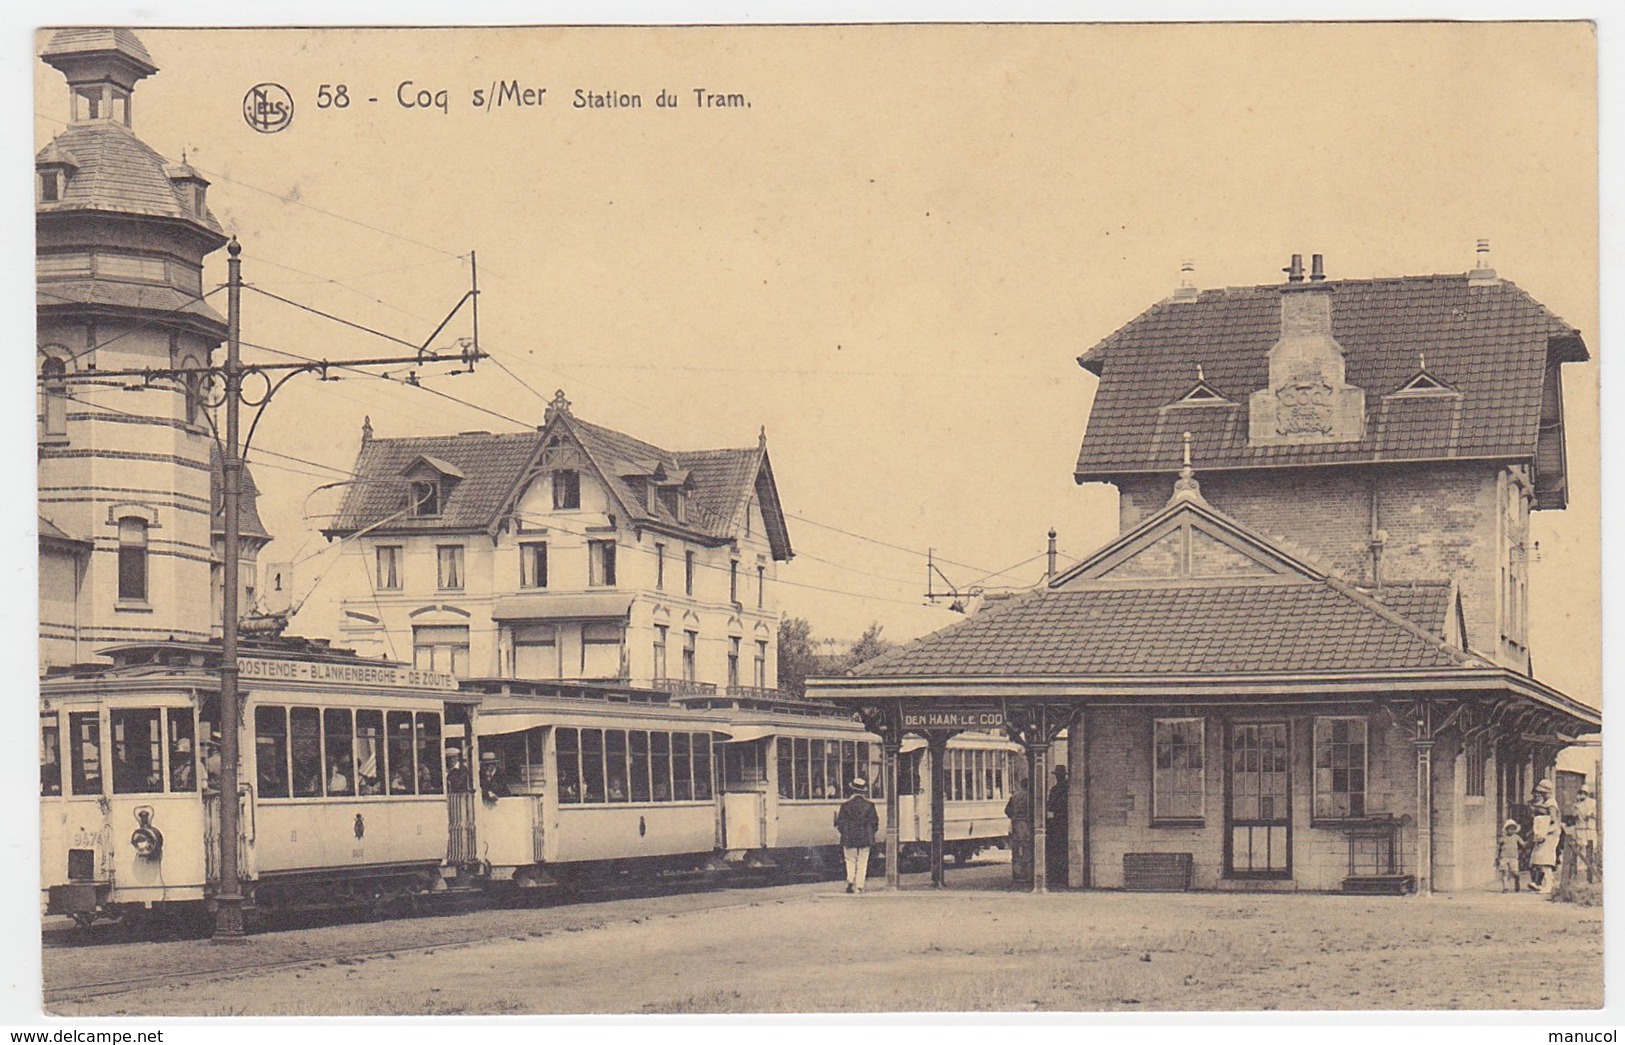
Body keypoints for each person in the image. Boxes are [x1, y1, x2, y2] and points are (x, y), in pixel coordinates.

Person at [833, 777, 880, 894]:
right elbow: (875, 823)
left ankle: (850, 879)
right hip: (865, 838)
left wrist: (844, 832)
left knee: (850, 860)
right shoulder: (870, 805)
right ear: (863, 791)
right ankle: (859, 886)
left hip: (849, 838)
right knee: (862, 862)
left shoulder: (845, 805)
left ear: (852, 790)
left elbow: (840, 823)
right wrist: (870, 833)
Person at [1529, 783, 1562, 894]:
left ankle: (1549, 885)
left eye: (1543, 792)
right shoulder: (1546, 803)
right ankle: (1545, 883)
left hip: (1550, 833)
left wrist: (1544, 831)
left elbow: (1552, 819)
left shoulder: (1551, 803)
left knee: (1545, 860)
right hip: (1546, 833)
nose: (1542, 794)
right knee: (1540, 859)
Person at [1005, 777, 1033, 886]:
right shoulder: (1030, 796)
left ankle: (1017, 875)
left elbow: (1007, 810)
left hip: (1015, 826)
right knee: (1027, 851)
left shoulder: (1015, 796)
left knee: (1016, 852)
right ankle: (1027, 875)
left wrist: (1014, 817)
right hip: (1027, 827)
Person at [1046, 764, 1070, 882]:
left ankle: (1059, 875)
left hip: (1061, 823)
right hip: (1056, 824)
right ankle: (1056, 874)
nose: (1058, 777)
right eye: (1057, 775)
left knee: (1059, 850)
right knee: (1056, 850)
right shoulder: (1055, 789)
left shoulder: (1065, 789)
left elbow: (1053, 805)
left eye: (1059, 775)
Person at [1573, 784, 1598, 881]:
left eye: (1584, 793)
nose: (1582, 795)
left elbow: (1588, 815)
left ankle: (1590, 869)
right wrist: (1577, 804)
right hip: (1581, 828)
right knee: (1581, 848)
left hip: (1589, 829)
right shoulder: (1577, 804)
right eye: (1581, 792)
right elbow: (1575, 815)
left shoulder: (1592, 802)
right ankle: (1581, 870)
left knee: (1591, 848)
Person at [1496, 819, 1524, 892]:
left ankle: (1516, 879)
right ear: (1506, 829)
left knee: (1514, 872)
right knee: (1504, 871)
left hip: (1513, 857)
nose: (1511, 831)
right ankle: (1505, 887)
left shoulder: (1516, 837)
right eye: (1509, 829)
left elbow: (1522, 844)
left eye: (1513, 829)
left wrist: (1521, 850)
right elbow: (1498, 847)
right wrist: (1497, 857)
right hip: (1504, 857)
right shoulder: (1503, 838)